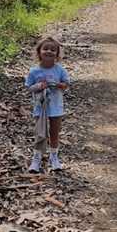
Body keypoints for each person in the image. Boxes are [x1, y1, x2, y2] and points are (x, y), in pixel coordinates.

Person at [25, 37, 70, 173]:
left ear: (57, 54)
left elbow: (66, 85)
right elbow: (29, 87)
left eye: (53, 49)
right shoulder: (34, 71)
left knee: (54, 132)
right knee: (40, 133)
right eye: (45, 49)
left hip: (56, 107)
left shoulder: (60, 70)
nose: (49, 51)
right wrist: (39, 86)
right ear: (39, 52)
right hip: (40, 108)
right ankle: (36, 159)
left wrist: (58, 85)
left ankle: (54, 157)